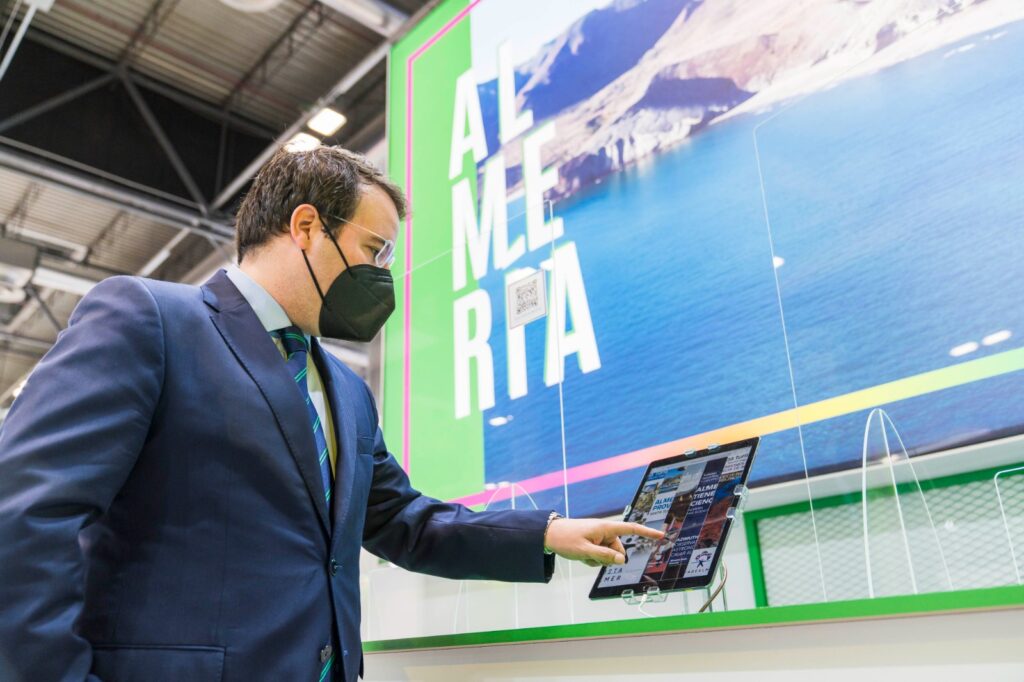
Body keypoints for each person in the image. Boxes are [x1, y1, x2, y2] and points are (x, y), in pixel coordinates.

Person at [0, 145, 663, 682]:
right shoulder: (149, 319)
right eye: (374, 250)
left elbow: (403, 521)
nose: (381, 274)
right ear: (307, 226)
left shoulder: (347, 391)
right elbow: (27, 512)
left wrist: (544, 535)